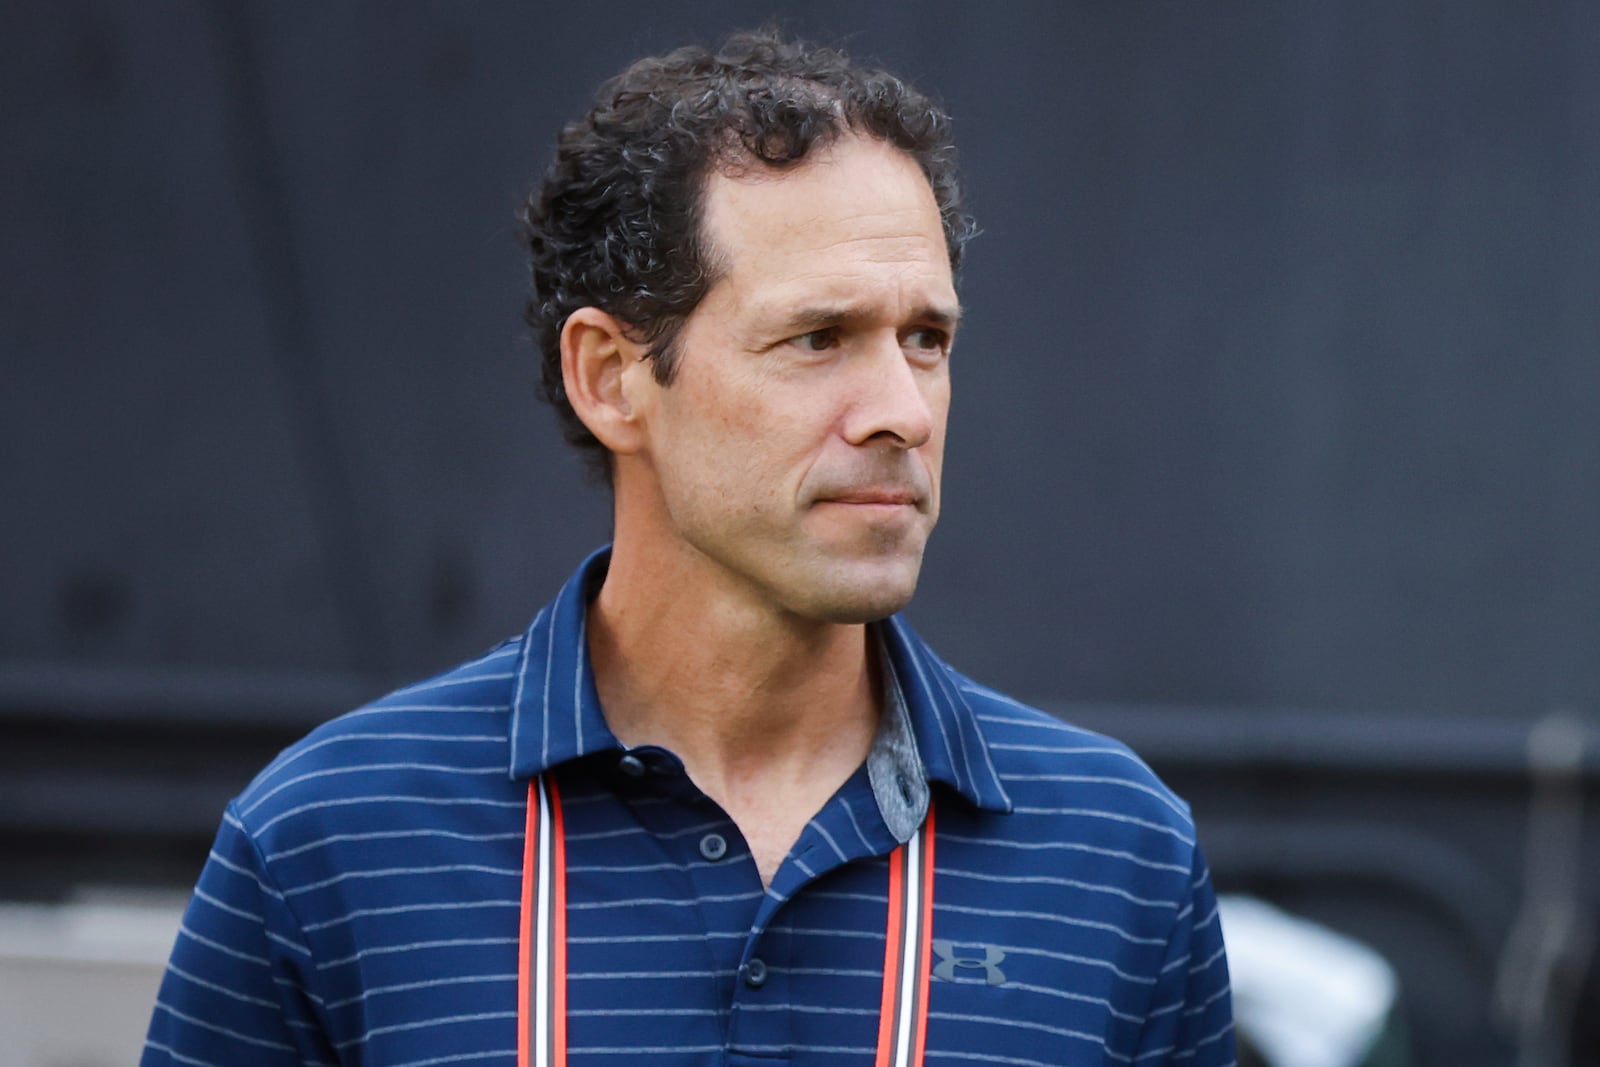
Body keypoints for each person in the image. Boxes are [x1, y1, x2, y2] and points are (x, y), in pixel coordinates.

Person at [143, 30, 1234, 1067]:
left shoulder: (1116, 854)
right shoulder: (331, 842)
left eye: (926, 339)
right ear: (611, 378)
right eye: (818, 337)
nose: (903, 410)